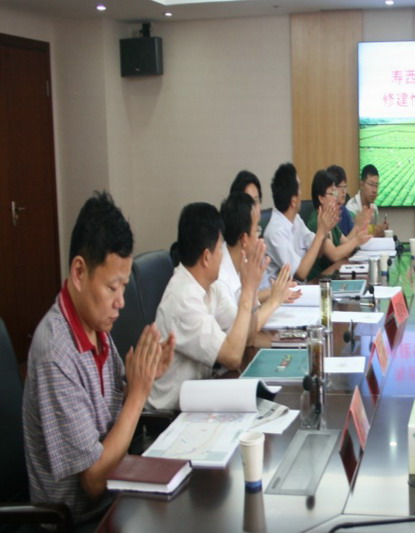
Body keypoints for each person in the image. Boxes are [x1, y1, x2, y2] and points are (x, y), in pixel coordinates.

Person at [22, 192, 175, 523]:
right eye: (112, 287)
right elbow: (93, 482)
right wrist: (138, 395)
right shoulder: (55, 351)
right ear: (79, 272)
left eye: (124, 287)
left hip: (117, 495)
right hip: (80, 520)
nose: (121, 301)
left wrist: (142, 378)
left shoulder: (95, 325)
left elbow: (110, 413)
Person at [147, 202, 282, 411]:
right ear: (206, 257)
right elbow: (233, 356)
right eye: (220, 248)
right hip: (170, 416)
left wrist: (253, 290)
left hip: (200, 397)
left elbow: (247, 338)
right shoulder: (183, 298)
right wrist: (248, 292)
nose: (223, 255)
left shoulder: (211, 286)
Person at [263, 163, 370, 283]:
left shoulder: (296, 220)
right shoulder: (275, 232)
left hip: (300, 287)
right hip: (287, 291)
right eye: (299, 189)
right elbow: (300, 273)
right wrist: (321, 233)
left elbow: (318, 251)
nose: (301, 195)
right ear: (293, 201)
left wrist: (324, 232)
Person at [217, 192, 291, 332]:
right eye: (257, 229)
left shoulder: (241, 262)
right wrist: (274, 301)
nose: (260, 237)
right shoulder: (220, 279)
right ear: (244, 239)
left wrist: (275, 293)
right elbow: (244, 330)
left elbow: (253, 311)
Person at [305, 169, 371, 279]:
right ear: (321, 198)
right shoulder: (316, 222)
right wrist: (357, 240)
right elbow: (334, 255)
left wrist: (358, 227)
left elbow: (346, 246)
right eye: (332, 194)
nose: (336, 198)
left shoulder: (330, 220)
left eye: (336, 193)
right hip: (317, 281)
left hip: (332, 276)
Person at [346, 164, 388, 237]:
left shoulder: (374, 209)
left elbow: (374, 236)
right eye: (371, 184)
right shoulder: (351, 208)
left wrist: (380, 231)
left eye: (376, 185)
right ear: (362, 185)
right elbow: (354, 236)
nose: (374, 190)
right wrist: (377, 230)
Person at [326, 164, 354, 236]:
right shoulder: (325, 215)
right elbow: (342, 243)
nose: (343, 191)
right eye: (339, 187)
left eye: (345, 187)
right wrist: (358, 227)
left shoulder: (343, 210)